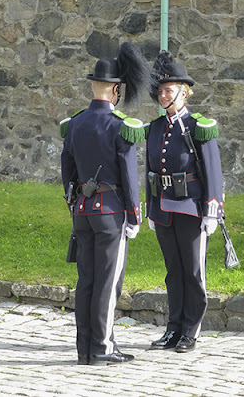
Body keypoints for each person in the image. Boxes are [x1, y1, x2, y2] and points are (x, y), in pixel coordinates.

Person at [60, 42, 149, 366]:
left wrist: (75, 202)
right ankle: (102, 347)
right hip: (111, 213)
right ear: (115, 90)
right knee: (108, 283)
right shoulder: (119, 126)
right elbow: (128, 174)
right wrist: (134, 214)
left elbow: (67, 170)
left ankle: (84, 348)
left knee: (86, 281)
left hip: (82, 211)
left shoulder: (75, 124)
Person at [145, 51, 224, 353]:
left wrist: (212, 209)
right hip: (164, 208)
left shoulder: (198, 126)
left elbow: (212, 169)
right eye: (160, 90)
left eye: (169, 89)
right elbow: (150, 170)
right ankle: (173, 328)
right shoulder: (154, 128)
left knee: (193, 271)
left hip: (191, 208)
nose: (163, 95)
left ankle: (191, 330)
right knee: (172, 271)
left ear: (184, 91)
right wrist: (151, 206)